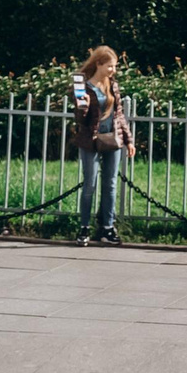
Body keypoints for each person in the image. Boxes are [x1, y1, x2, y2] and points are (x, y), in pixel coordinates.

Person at [73, 44, 128, 246]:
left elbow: (119, 115)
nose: (113, 70)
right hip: (90, 141)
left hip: (112, 139)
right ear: (99, 64)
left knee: (110, 184)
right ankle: (84, 227)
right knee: (90, 185)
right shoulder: (85, 87)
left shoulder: (112, 85)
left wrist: (128, 140)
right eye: (110, 66)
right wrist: (84, 106)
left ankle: (107, 227)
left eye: (114, 67)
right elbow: (79, 120)